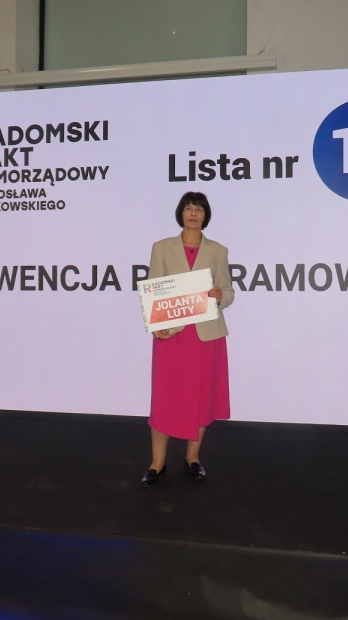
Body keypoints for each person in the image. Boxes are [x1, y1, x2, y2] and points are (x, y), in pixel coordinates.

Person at [140, 192, 234, 486]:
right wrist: (156, 325)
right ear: (180, 213)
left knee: (201, 398)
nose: (193, 213)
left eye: (199, 209)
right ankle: (157, 464)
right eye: (189, 208)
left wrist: (219, 297)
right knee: (165, 400)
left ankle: (193, 458)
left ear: (206, 215)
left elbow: (228, 291)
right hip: (172, 336)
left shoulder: (218, 251)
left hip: (206, 336)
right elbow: (154, 289)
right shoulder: (161, 248)